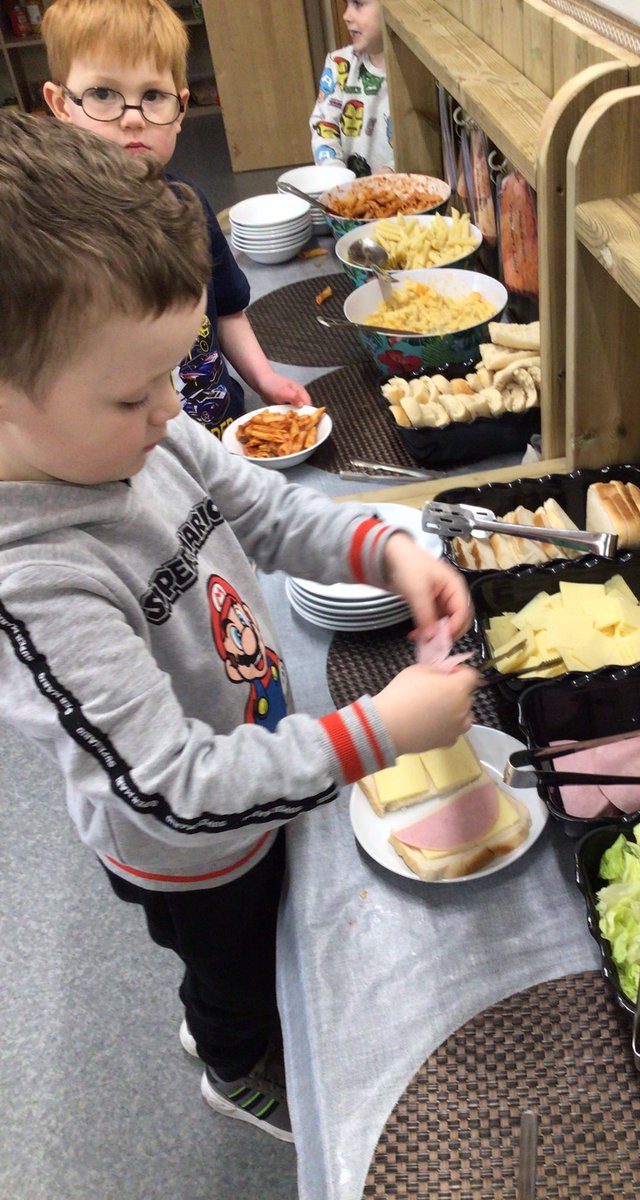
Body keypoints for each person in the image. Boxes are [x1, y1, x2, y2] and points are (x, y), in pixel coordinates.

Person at [0, 111, 478, 1143]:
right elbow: (174, 788)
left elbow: (265, 509)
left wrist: (385, 551)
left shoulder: (149, 437)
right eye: (135, 392)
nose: (174, 409)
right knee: (232, 964)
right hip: (190, 852)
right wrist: (379, 733)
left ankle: (238, 1015)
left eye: (174, 371)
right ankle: (229, 1060)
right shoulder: (33, 578)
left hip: (264, 754)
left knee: (274, 933)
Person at [41, 0, 312, 440]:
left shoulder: (188, 204)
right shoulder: (54, 231)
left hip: (224, 434)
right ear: (60, 104)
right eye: (103, 94)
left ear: (180, 108)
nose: (132, 118)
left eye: (152, 96)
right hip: (139, 462)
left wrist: (265, 380)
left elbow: (227, 312)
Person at [310, 0, 393, 176]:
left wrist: (394, 169)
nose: (346, 16)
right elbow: (324, 127)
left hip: (405, 192)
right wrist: (336, 176)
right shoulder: (339, 64)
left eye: (358, 4)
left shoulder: (416, 79)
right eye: (347, 4)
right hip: (348, 192)